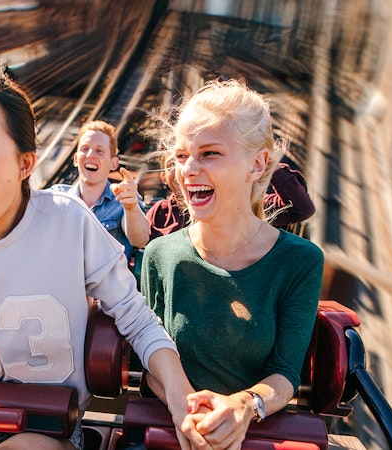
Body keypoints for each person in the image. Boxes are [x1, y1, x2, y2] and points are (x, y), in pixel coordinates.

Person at [0, 56, 204, 450]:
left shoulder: (68, 222)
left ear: (24, 163)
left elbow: (138, 321)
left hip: (50, 430)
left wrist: (182, 397)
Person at [140, 79, 324, 449]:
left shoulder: (300, 261)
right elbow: (152, 365)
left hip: (256, 438)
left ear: (256, 165)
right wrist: (191, 414)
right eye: (181, 156)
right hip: (172, 435)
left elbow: (285, 374)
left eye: (209, 153)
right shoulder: (161, 256)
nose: (187, 170)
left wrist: (243, 406)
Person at [49, 120, 149, 261]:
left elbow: (140, 240)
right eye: (84, 149)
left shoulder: (123, 199)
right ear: (76, 159)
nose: (90, 154)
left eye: (99, 151)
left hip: (105, 281)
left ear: (113, 163)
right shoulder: (57, 195)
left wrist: (131, 208)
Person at [146, 158, 314, 241]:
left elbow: (299, 207)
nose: (186, 169)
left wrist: (269, 162)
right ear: (163, 177)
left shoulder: (243, 206)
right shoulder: (160, 212)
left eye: (202, 158)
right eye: (178, 159)